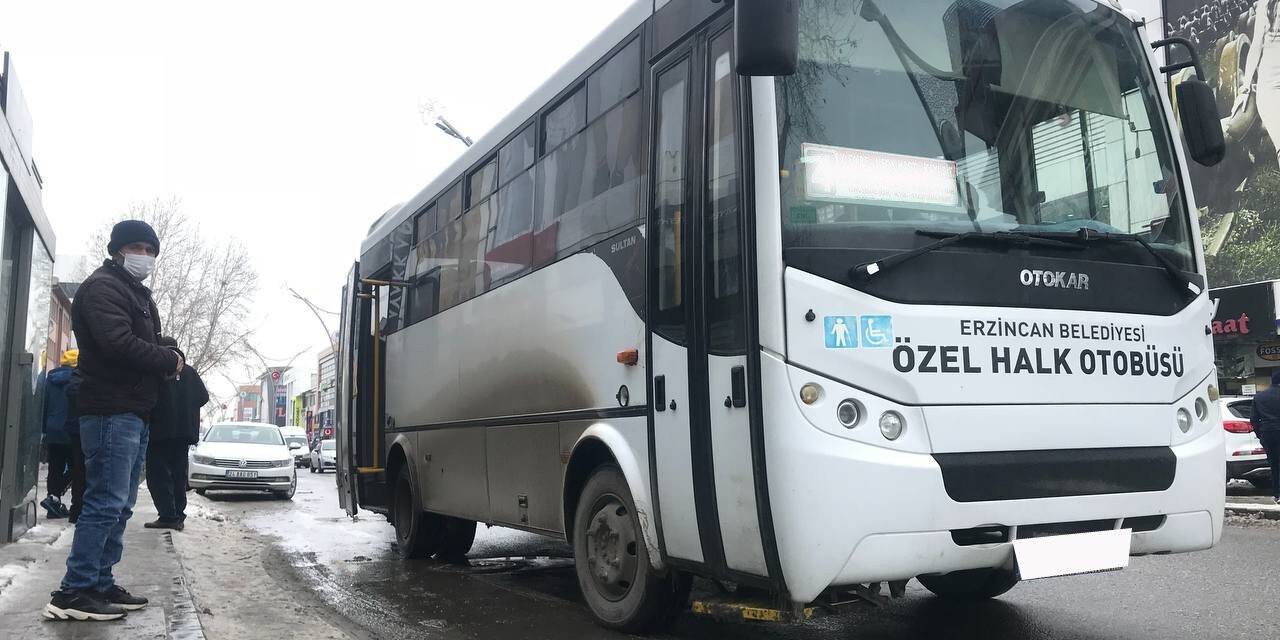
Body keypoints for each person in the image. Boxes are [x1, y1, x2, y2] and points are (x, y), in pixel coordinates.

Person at [44, 220, 184, 622]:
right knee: (104, 502)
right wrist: (169, 359)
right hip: (109, 409)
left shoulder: (131, 291)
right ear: (118, 249)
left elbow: (141, 341)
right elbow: (117, 343)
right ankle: (75, 590)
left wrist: (168, 356)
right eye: (137, 247)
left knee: (119, 504)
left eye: (150, 249)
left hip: (132, 410)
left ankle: (99, 581)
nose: (145, 256)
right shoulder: (104, 287)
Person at [145, 336, 209, 531]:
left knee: (157, 474)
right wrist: (186, 407)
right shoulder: (190, 372)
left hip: (159, 431)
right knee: (178, 474)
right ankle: (178, 514)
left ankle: (167, 515)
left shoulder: (157, 370)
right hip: (184, 432)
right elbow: (203, 397)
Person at [40, 350, 80, 519]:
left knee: (54, 468)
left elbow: (44, 404)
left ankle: (53, 503)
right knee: (77, 468)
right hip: (72, 429)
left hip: (53, 430)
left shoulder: (51, 378)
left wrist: (44, 429)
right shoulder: (79, 378)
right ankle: (68, 503)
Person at [1252, 370, 1280, 505]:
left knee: (1274, 465)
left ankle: (1277, 494)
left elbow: (1253, 420)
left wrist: (1261, 435)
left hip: (1268, 434)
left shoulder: (1259, 397)